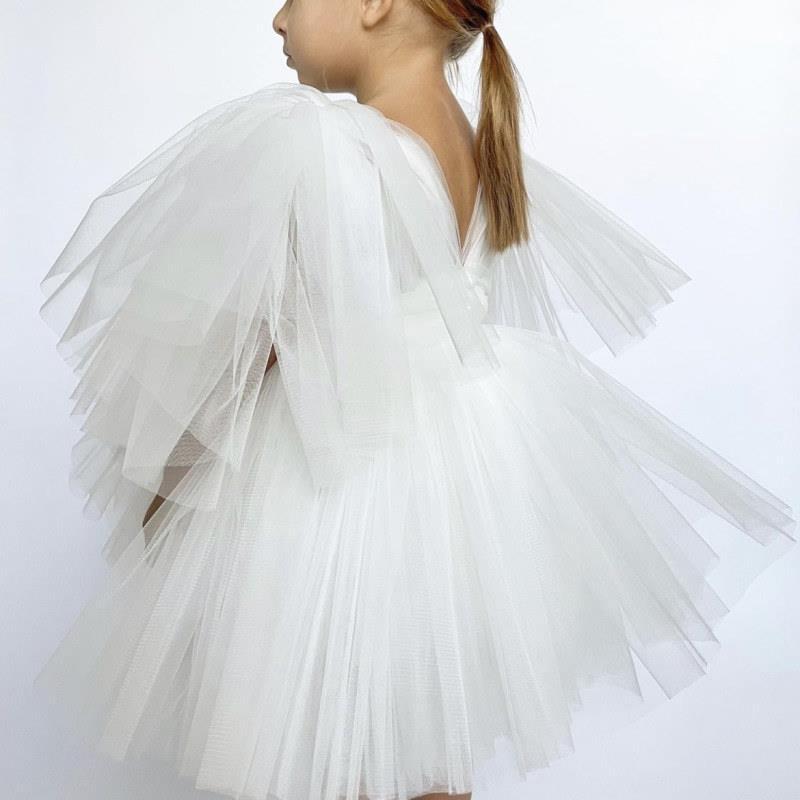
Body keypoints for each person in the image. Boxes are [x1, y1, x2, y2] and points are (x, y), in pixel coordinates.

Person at [35, 1, 796, 799]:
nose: (278, 20)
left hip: (342, 486)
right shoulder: (475, 146)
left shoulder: (329, 149)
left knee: (341, 753)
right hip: (470, 481)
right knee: (424, 745)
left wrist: (171, 477)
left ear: (375, 4)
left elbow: (257, 344)